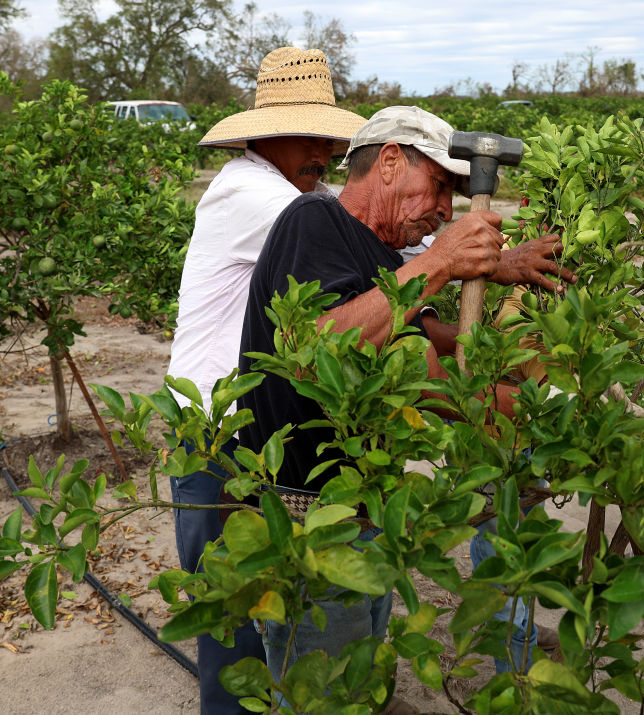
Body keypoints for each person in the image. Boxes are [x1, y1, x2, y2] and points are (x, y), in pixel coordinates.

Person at [236, 106, 575, 697]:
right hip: (310, 527)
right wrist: (440, 260)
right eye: (440, 186)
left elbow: (429, 355)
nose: (444, 209)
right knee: (322, 694)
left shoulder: (379, 258)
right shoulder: (313, 218)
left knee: (360, 679)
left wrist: (525, 361)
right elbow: (320, 347)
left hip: (363, 519)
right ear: (390, 161)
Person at [164, 46, 366, 715]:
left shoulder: (300, 194)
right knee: (231, 612)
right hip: (213, 433)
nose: (324, 152)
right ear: (265, 134)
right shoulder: (254, 195)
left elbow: (359, 221)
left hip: (251, 434)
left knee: (268, 600)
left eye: (328, 139)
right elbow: (365, 234)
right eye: (309, 135)